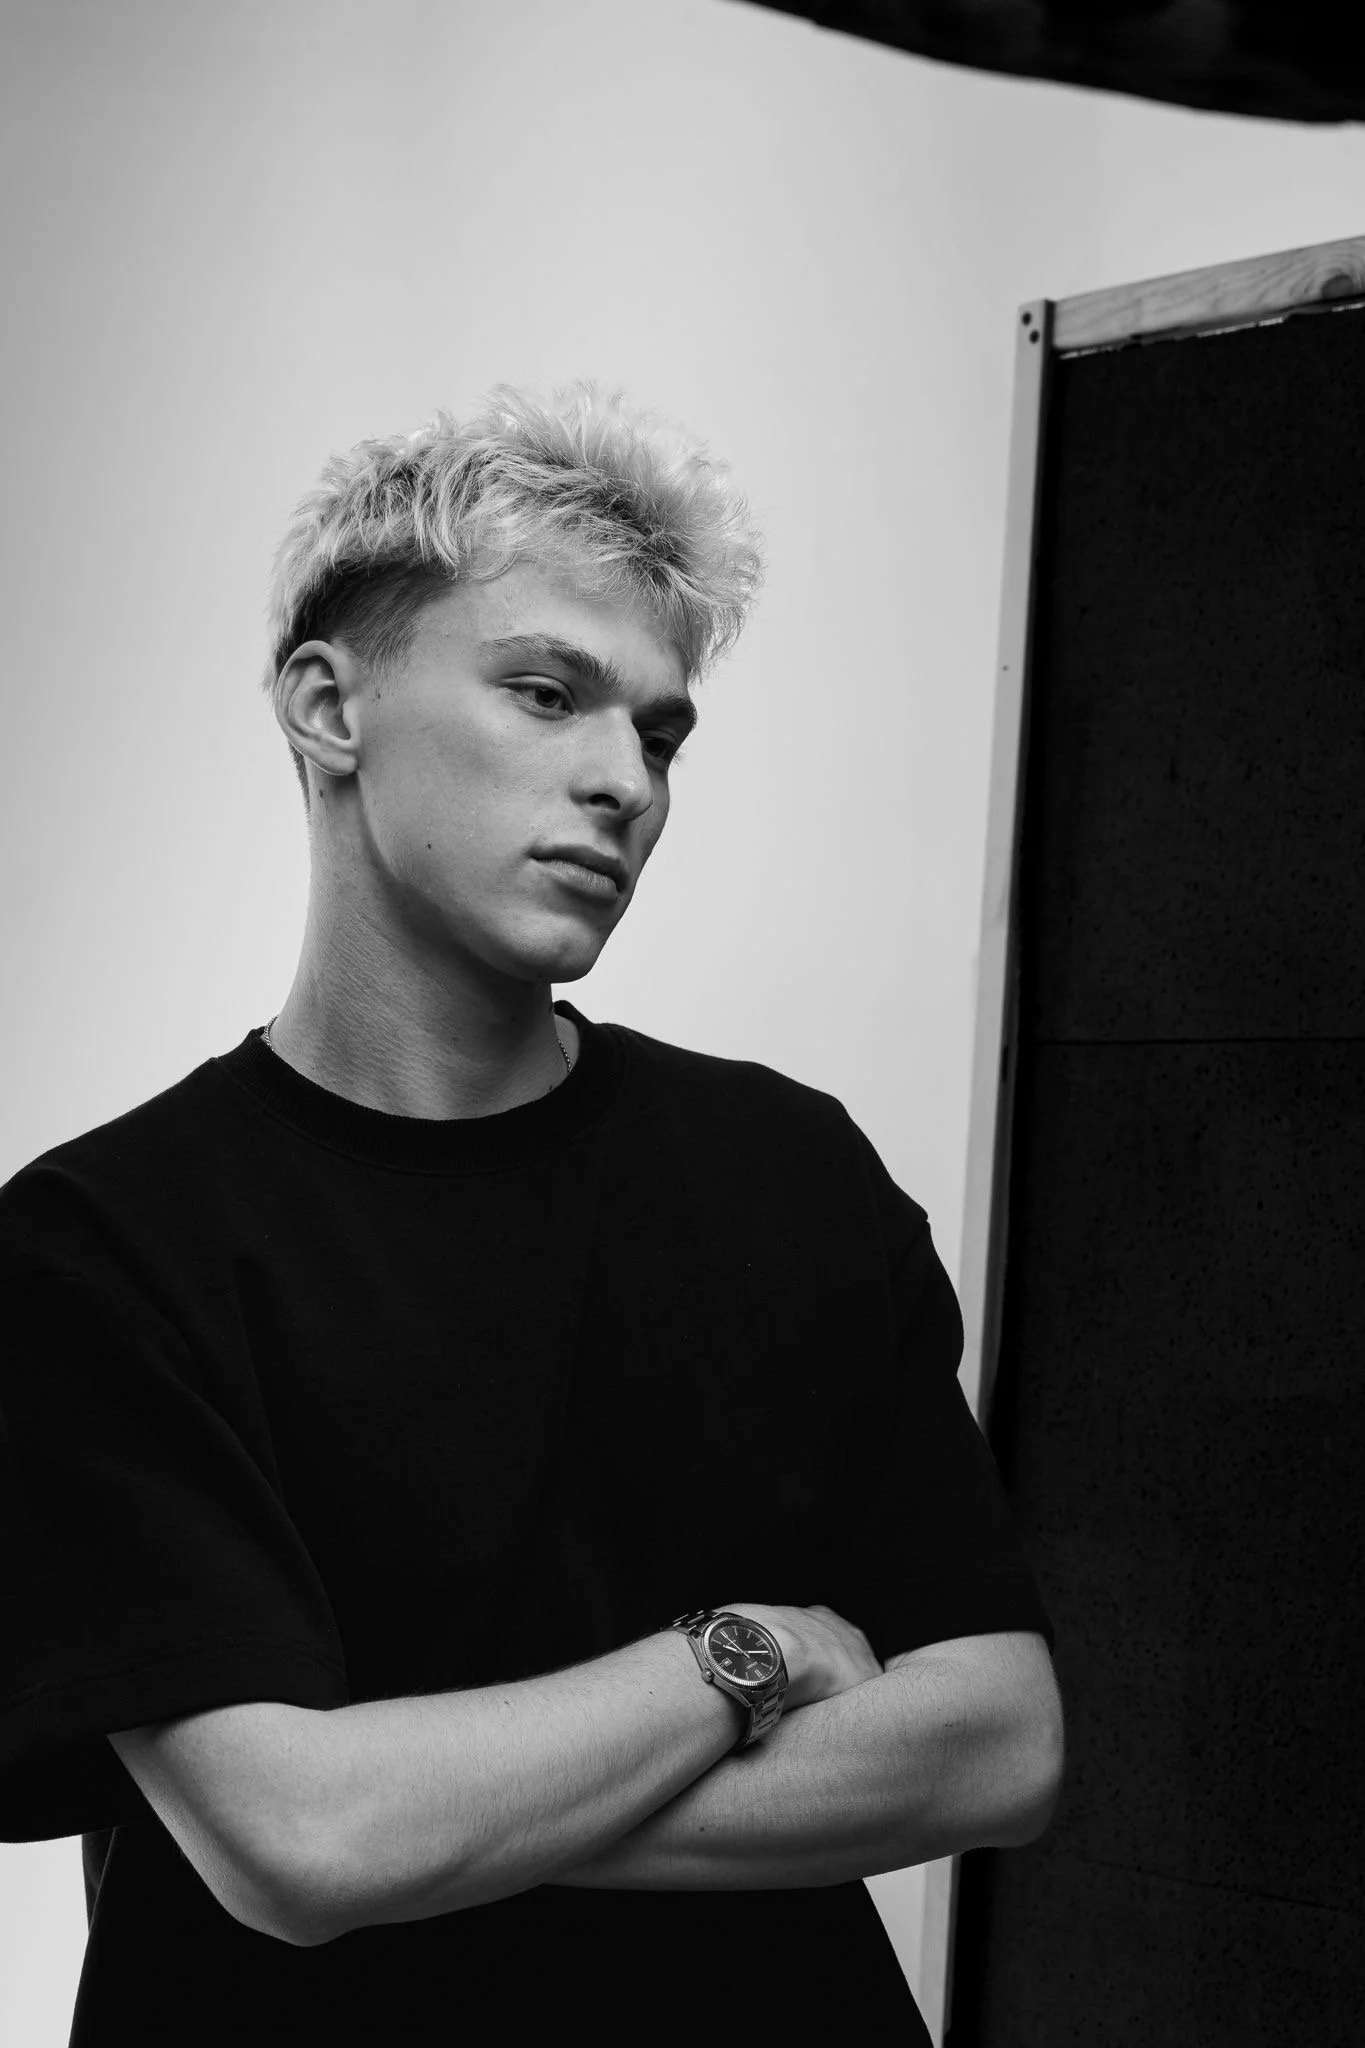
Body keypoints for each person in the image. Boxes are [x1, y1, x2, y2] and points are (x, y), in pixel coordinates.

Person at [0, 382, 1063, 2043]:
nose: (625, 782)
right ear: (327, 709)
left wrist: (447, 1809)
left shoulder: (790, 1172)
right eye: (548, 693)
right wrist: (746, 1654)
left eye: (657, 732)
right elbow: (302, 1837)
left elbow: (1000, 1737)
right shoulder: (103, 1248)